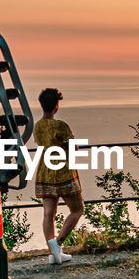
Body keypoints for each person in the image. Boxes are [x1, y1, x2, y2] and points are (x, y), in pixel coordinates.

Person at [33, 87, 83, 265]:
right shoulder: (61, 126)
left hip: (45, 171)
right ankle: (58, 242)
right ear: (56, 106)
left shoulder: (37, 126)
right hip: (63, 172)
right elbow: (73, 148)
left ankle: (54, 254)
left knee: (48, 213)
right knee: (77, 210)